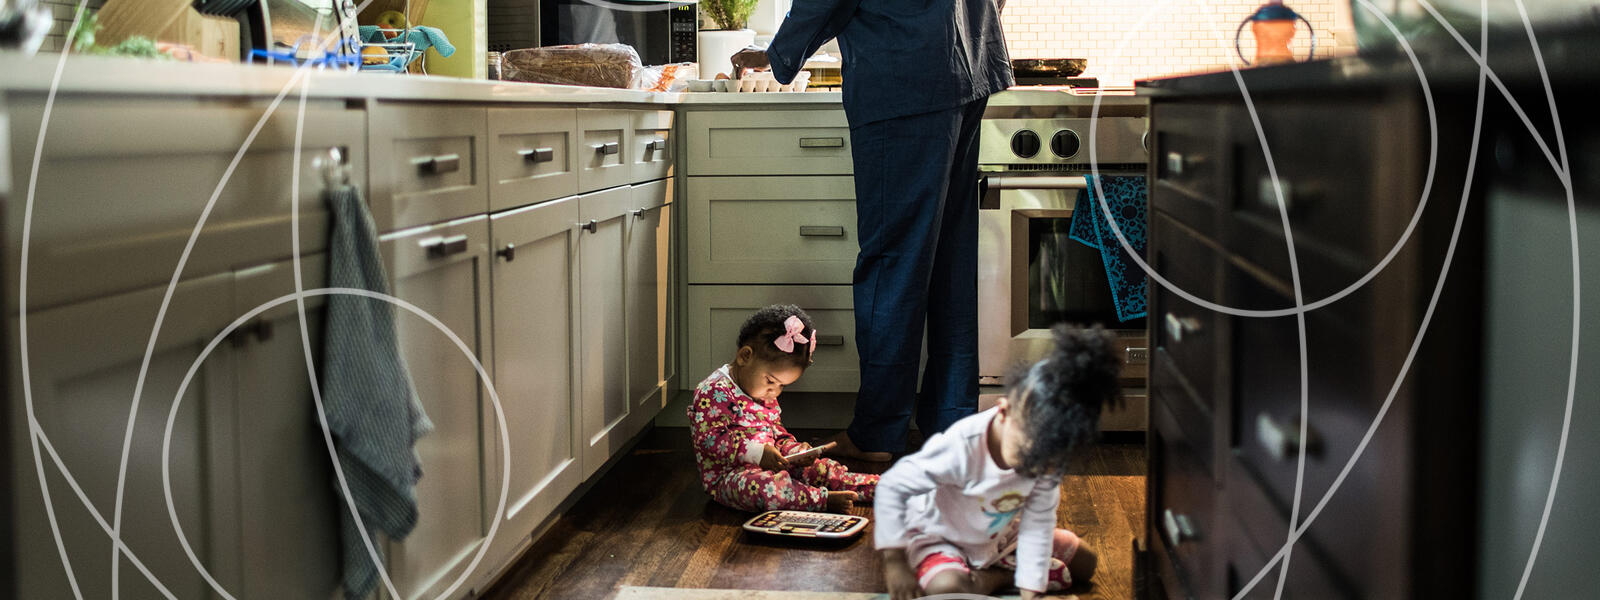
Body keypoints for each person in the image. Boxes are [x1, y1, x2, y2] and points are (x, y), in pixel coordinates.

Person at [767, 0, 1014, 460]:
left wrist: (777, 55)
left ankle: (878, 432)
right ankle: (950, 423)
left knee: (893, 266)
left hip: (905, 75)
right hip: (969, 66)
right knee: (948, 262)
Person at [872, 325, 1121, 599]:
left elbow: (1037, 522)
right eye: (1030, 452)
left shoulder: (1048, 457)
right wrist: (894, 563)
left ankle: (1005, 574)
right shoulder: (962, 447)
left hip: (1000, 538)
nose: (1036, 466)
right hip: (940, 538)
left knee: (1086, 562)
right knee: (948, 591)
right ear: (1004, 412)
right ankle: (999, 577)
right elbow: (892, 486)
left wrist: (1031, 591)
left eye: (1050, 459)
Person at [687, 304, 880, 514]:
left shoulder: (763, 392)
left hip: (772, 465)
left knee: (821, 469)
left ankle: (875, 487)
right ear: (745, 356)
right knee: (768, 488)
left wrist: (796, 452)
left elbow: (777, 434)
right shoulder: (713, 391)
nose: (775, 392)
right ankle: (820, 500)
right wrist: (757, 454)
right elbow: (711, 439)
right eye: (771, 381)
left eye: (782, 385)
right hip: (731, 478)